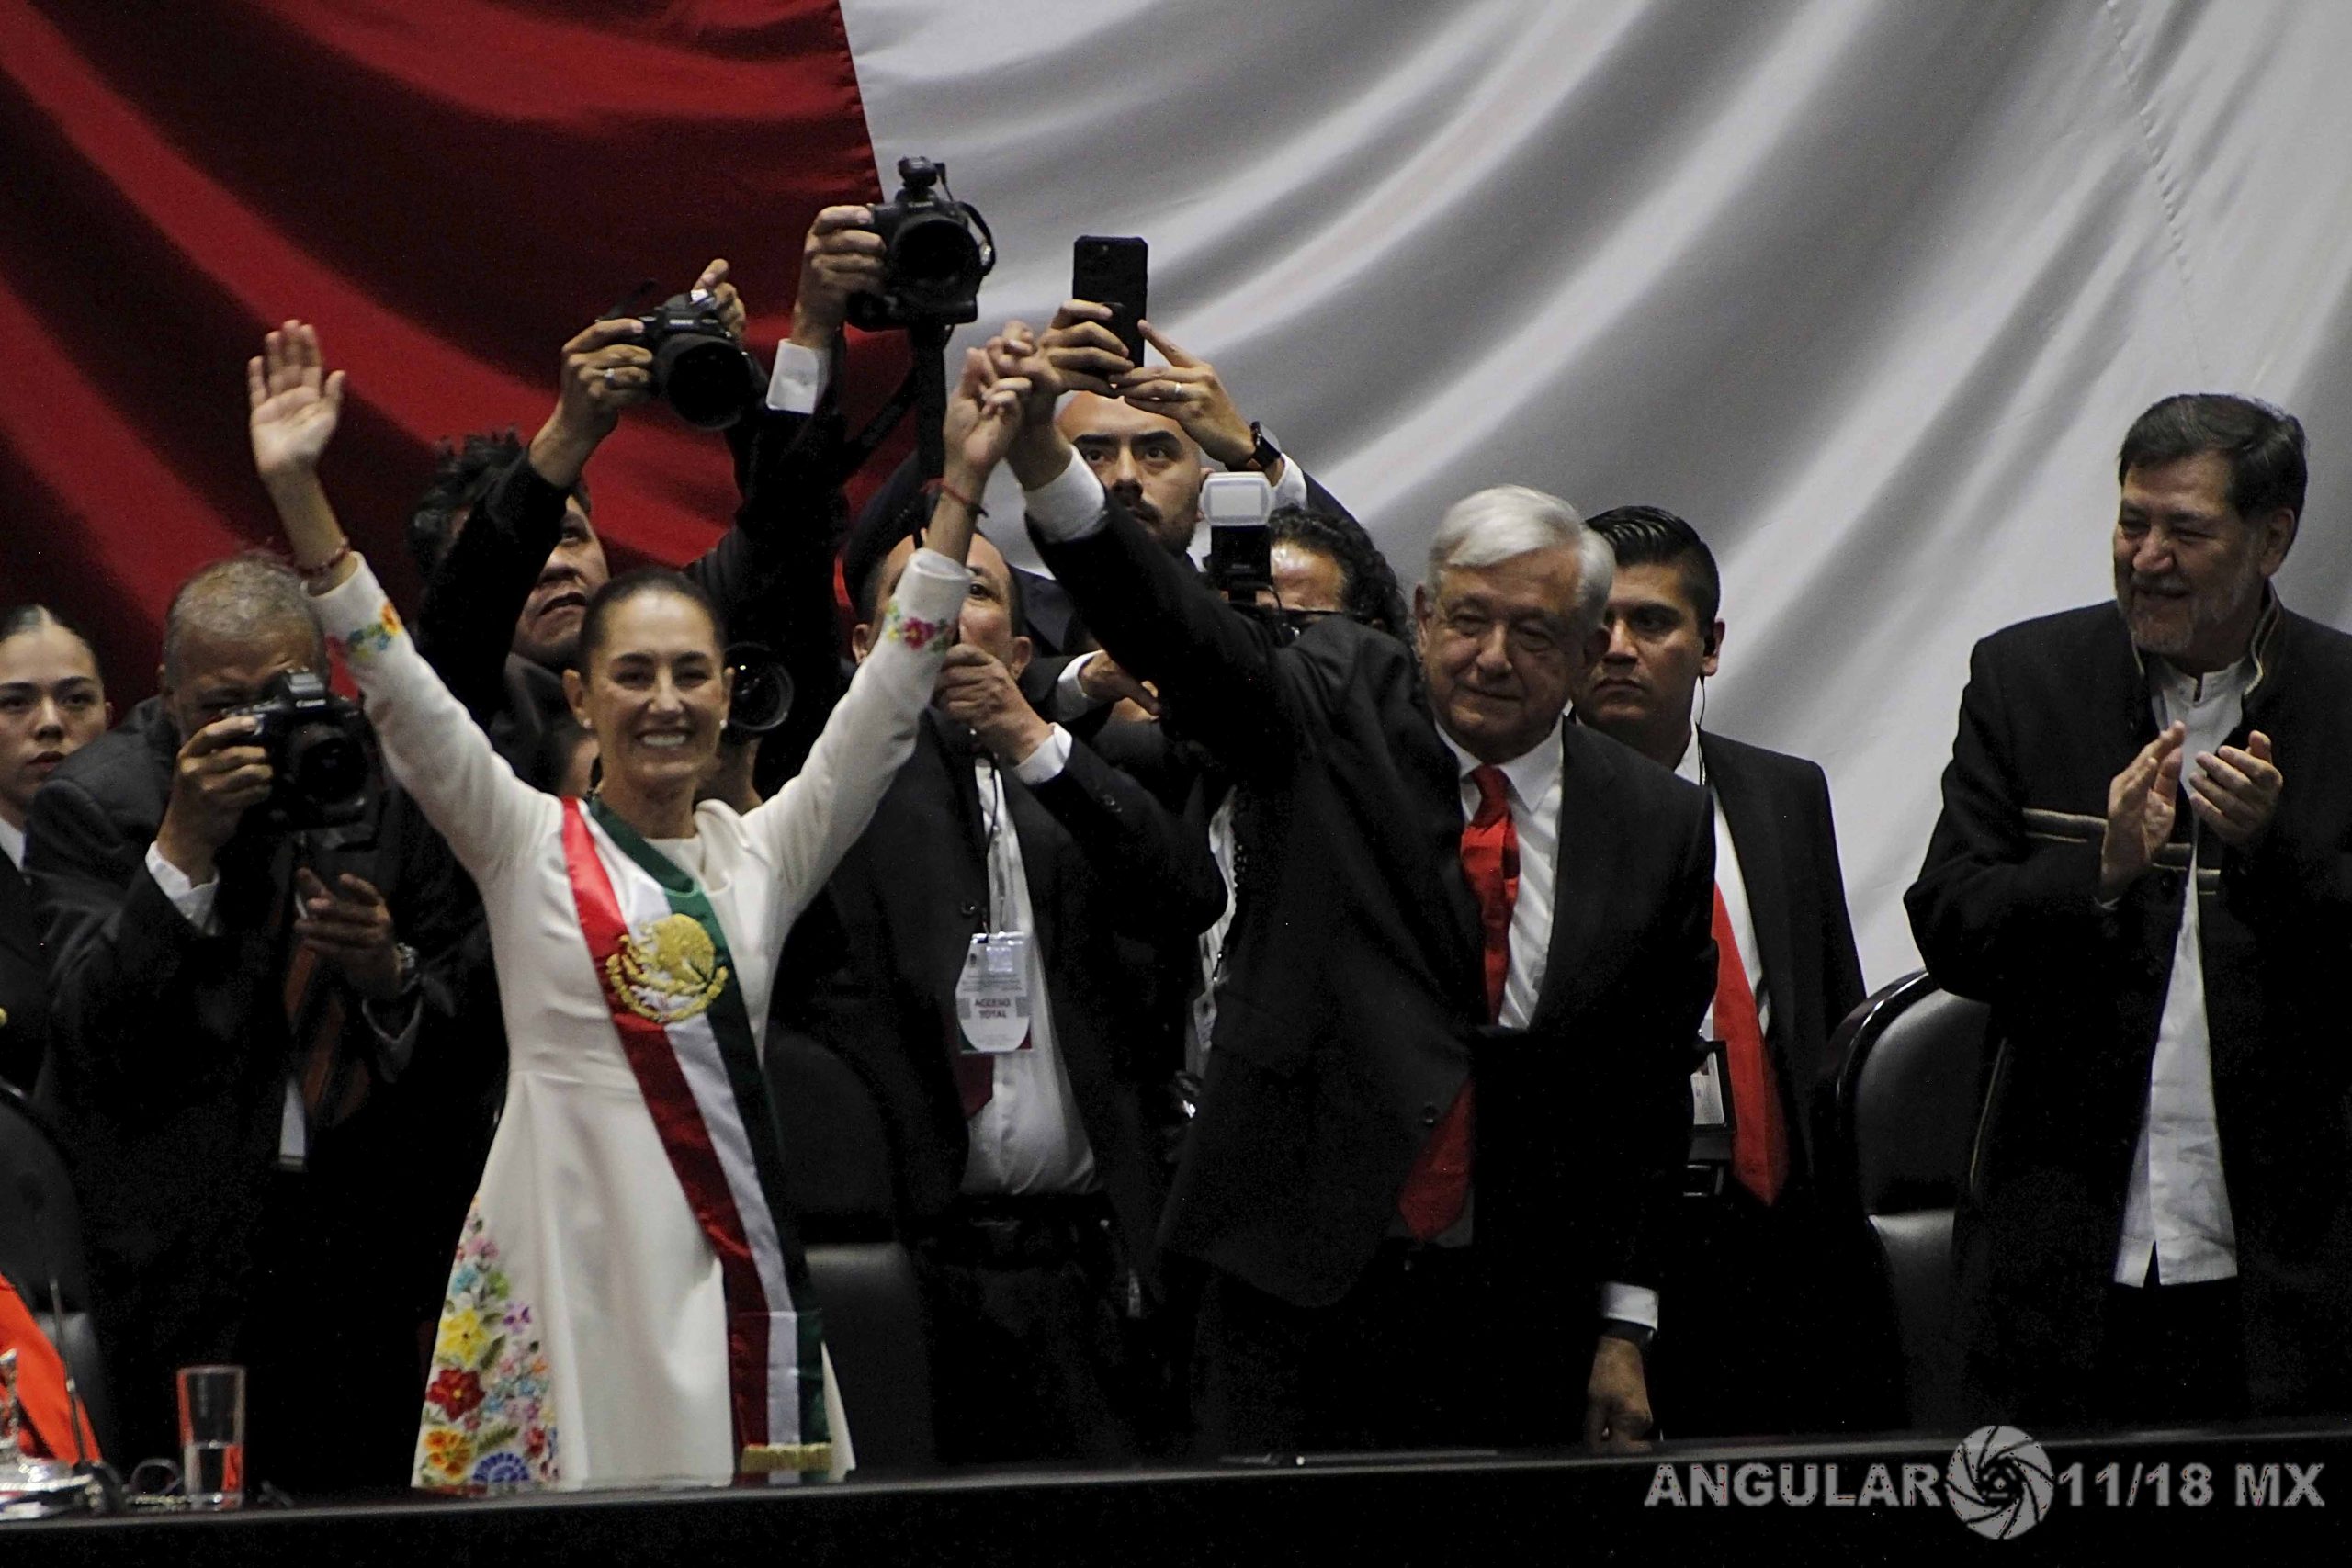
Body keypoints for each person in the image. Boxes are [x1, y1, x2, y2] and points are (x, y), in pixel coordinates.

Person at [245, 319, 1018, 1488]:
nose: (666, 702)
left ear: (726, 697)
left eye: (692, 674)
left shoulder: (771, 853)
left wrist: (958, 485)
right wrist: (301, 495)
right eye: (635, 675)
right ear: (582, 695)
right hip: (560, 1265)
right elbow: (398, 686)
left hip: (726, 1282)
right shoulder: (518, 842)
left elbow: (897, 685)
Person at [997, 322, 1716, 1453]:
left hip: (1517, 1302)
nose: (1491, 658)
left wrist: (1623, 1323)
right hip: (1292, 1278)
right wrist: (1045, 462)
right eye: (1467, 620)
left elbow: (1639, 1095)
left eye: (1533, 634)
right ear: (1421, 620)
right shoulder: (1332, 701)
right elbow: (1175, 633)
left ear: (1587, 657)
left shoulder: (1659, 820)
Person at [1908, 392, 2352, 1427]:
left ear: (2272, 538)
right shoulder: (2025, 680)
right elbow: (1950, 921)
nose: (2146, 556)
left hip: (2286, 1266)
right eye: (2130, 521)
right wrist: (2097, 872)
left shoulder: (2340, 699)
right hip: (2057, 1255)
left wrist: (2272, 854)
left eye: (2186, 531)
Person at [27, 558, 481, 1487]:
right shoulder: (96, 801)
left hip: (373, 1255)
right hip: (185, 1266)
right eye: (219, 705)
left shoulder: (387, 782)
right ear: (164, 695)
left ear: (324, 675)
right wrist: (182, 847)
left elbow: (470, 1021)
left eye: (277, 698)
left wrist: (386, 973)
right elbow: (87, 1036)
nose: (250, 730)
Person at [784, 525, 1223, 1463]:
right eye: (914, 592)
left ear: (1021, 653)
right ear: (863, 648)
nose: (943, 608)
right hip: (914, 1275)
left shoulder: (1077, 783)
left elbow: (1188, 894)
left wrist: (1030, 735)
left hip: (1088, 1269)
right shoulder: (827, 807)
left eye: (973, 589)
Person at [1571, 505, 1870, 1437]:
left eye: (1652, 623)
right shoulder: (1526, 818)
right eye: (1596, 626)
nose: (1618, 648)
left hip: (1781, 1232)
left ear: (1708, 645)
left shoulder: (1782, 792)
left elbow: (1830, 1004)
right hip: (1613, 1251)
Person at [408, 231, 858, 795]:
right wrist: (567, 437)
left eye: (570, 535)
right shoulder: (451, 706)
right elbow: (462, 621)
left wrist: (796, 342)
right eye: (528, 558)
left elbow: (794, 529)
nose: (553, 566)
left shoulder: (681, 618)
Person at [0, 607, 110, 1091]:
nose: (49, 724)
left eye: (75, 699)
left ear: (109, 718)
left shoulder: (162, 860)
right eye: (16, 703)